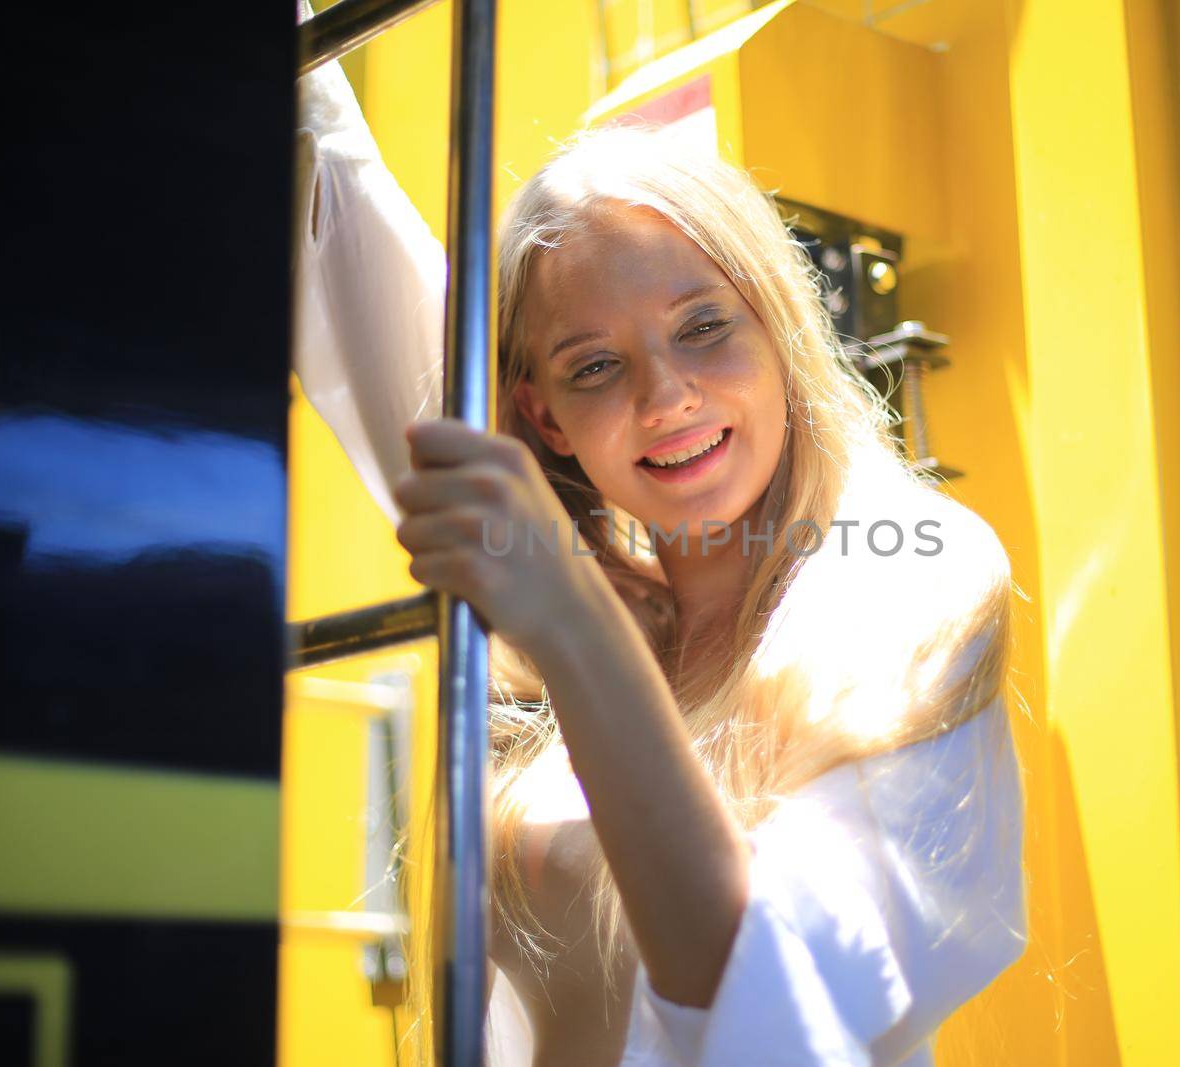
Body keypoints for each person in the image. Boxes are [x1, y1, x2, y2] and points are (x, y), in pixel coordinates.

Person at [293, 30, 1027, 1067]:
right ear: (544, 419)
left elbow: (780, 1001)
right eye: (595, 365)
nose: (665, 396)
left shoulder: (907, 575)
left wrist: (571, 623)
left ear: (778, 333)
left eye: (703, 328)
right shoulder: (592, 600)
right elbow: (342, 234)